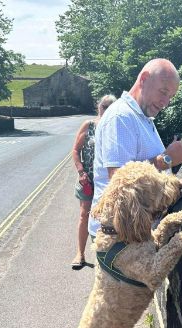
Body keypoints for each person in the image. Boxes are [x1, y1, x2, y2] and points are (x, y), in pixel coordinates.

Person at [88, 58, 182, 328]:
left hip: (131, 232)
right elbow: (123, 177)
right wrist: (169, 159)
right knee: (109, 316)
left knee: (114, 311)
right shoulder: (122, 117)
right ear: (144, 79)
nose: (165, 101)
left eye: (170, 97)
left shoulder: (142, 119)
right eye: (163, 92)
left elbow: (149, 181)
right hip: (117, 236)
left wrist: (175, 184)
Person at [71, 94, 116, 269]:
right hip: (87, 180)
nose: (105, 108)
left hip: (107, 183)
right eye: (104, 105)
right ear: (99, 107)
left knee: (108, 219)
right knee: (85, 214)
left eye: (110, 106)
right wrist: (81, 172)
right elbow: (76, 150)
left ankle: (106, 257)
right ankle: (80, 254)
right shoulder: (89, 126)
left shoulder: (115, 127)